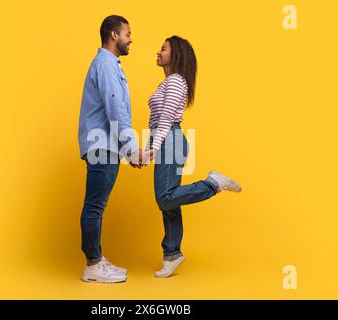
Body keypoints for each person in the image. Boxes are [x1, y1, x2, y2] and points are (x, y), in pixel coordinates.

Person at [141, 36, 243, 278]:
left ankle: (212, 184)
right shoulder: (167, 82)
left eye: (163, 48)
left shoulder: (176, 81)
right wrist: (148, 147)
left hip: (170, 139)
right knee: (170, 203)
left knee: (165, 198)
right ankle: (172, 254)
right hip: (166, 139)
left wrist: (154, 146)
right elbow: (156, 120)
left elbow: (166, 119)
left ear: (174, 54)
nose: (158, 51)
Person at [78, 15, 145, 283]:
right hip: (101, 146)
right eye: (128, 33)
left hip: (105, 145)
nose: (131, 39)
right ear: (114, 35)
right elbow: (116, 109)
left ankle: (96, 259)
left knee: (97, 204)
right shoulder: (105, 64)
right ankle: (93, 264)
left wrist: (128, 151)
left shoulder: (108, 64)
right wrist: (131, 149)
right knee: (95, 205)